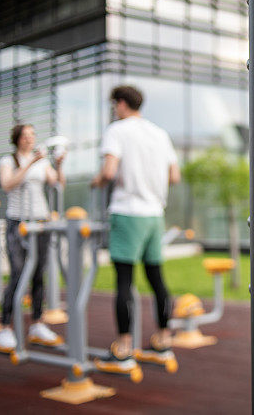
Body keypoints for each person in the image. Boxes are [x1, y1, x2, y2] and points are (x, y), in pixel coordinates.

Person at [91, 85, 181, 372]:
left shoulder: (117, 130)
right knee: (156, 279)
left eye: (114, 105)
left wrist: (97, 183)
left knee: (124, 282)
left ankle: (125, 347)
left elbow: (108, 171)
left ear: (120, 103)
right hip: (154, 214)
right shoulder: (159, 133)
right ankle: (164, 340)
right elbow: (175, 176)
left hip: (128, 212)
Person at [0, 124, 66, 351]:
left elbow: (57, 183)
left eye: (32, 135)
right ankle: (5, 327)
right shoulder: (9, 161)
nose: (30, 139)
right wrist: (30, 164)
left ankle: (37, 323)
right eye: (25, 136)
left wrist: (60, 165)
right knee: (17, 273)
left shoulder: (42, 162)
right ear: (17, 139)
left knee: (38, 275)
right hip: (18, 222)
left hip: (40, 221)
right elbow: (7, 184)